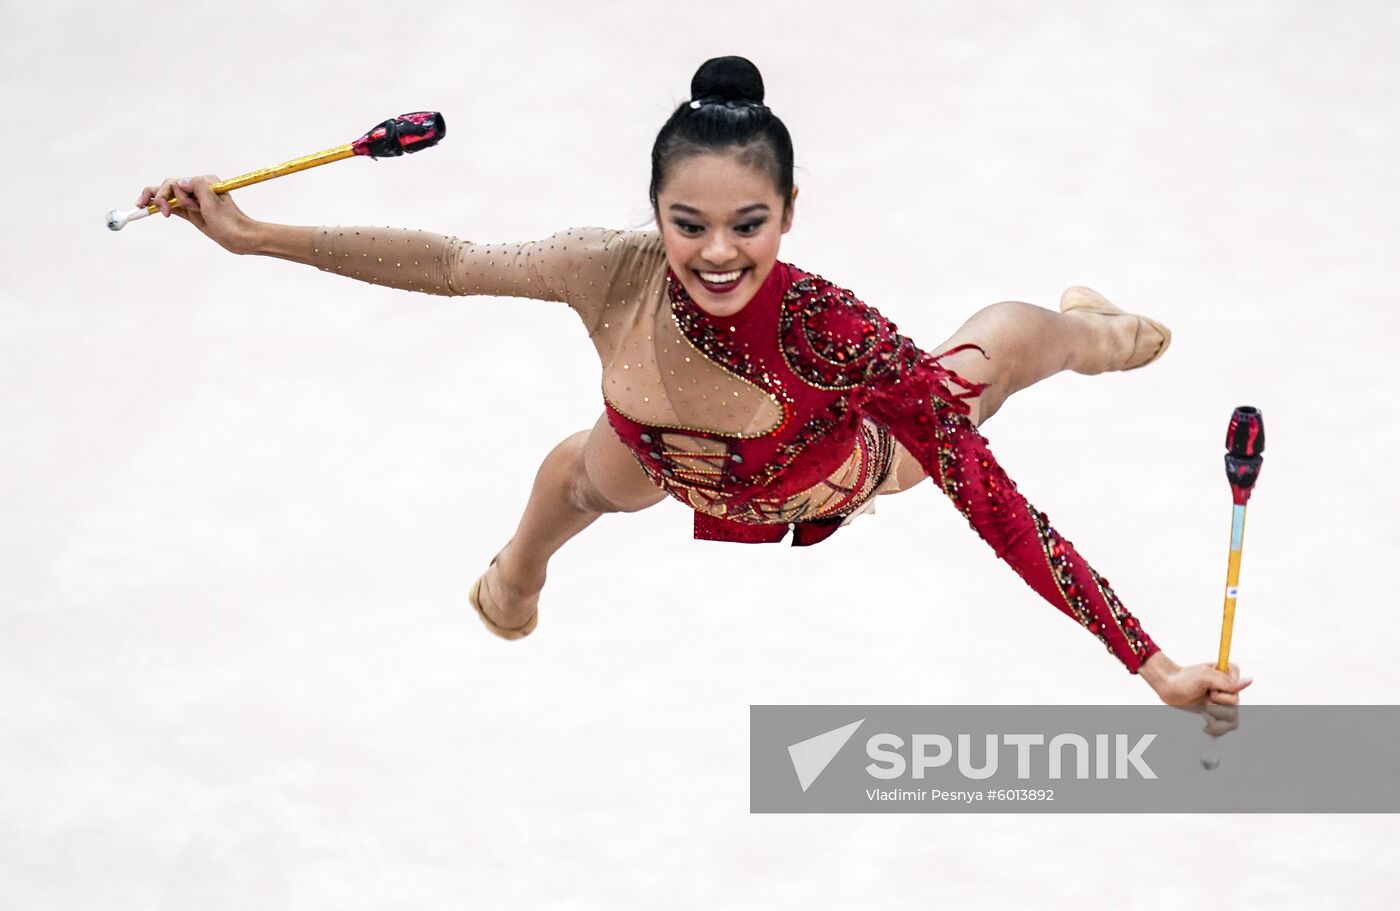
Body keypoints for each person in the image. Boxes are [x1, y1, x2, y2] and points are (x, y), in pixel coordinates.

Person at [136, 56, 1249, 713]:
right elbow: (448, 262)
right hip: (663, 449)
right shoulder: (607, 268)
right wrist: (253, 235)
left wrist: (1147, 661)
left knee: (982, 365)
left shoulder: (831, 329)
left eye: (747, 225)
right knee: (590, 470)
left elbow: (998, 506)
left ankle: (1088, 325)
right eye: (688, 223)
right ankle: (514, 576)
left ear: (789, 214)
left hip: (828, 469)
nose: (717, 252)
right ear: (654, 210)